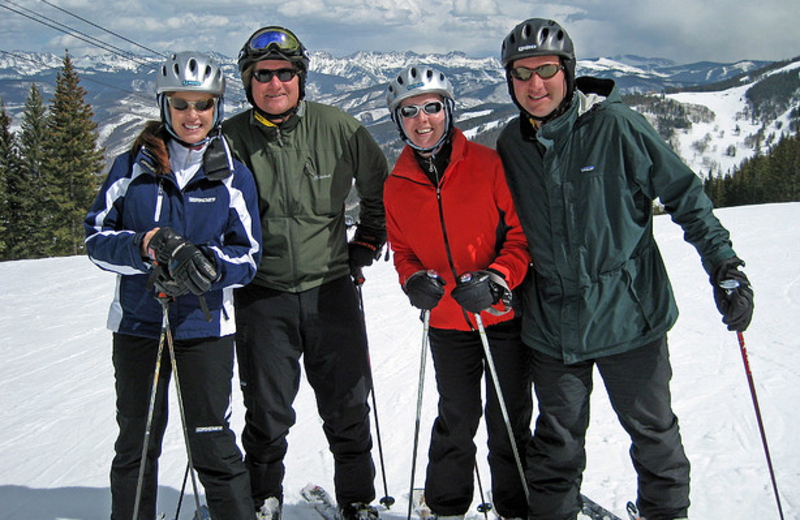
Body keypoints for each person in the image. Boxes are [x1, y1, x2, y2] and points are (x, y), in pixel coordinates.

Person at [496, 18, 755, 520]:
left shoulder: (616, 126)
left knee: (654, 436)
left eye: (545, 69)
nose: (534, 84)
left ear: (567, 72)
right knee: (556, 446)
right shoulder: (512, 144)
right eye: (521, 73)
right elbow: (502, 226)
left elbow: (685, 196)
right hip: (554, 328)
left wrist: (724, 263)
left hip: (629, 318)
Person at [84, 51, 262, 520]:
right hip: (140, 325)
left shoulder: (231, 174)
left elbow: (248, 256)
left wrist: (207, 263)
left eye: (203, 105)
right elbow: (96, 237)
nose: (192, 115)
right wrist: (145, 246)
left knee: (212, 441)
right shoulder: (132, 167)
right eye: (181, 104)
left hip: (203, 330)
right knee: (137, 442)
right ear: (165, 106)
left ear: (216, 109)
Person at [222, 26, 388, 520]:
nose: (275, 84)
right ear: (249, 82)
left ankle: (357, 498)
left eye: (285, 73)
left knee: (348, 405)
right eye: (263, 75)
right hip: (262, 292)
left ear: (301, 77)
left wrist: (365, 243)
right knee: (268, 411)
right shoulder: (229, 138)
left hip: (330, 288)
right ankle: (262, 496)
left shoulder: (339, 127)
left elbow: (381, 191)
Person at [384, 65, 533, 520]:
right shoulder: (396, 186)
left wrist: (497, 278)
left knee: (508, 420)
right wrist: (413, 281)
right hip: (448, 323)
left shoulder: (488, 165)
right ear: (398, 120)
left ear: (448, 110)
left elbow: (520, 238)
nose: (422, 119)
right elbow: (403, 251)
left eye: (431, 107)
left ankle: (517, 506)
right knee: (456, 419)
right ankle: (447, 507)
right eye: (409, 111)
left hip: (501, 317)